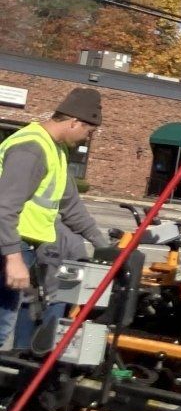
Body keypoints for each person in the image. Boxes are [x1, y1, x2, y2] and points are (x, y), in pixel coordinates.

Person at [1, 89, 115, 350]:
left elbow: (70, 205)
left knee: (14, 316)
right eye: (87, 131)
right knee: (1, 324)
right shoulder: (31, 149)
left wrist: (102, 245)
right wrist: (13, 258)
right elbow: (4, 207)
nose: (86, 138)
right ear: (74, 122)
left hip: (24, 247)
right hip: (8, 246)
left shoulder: (56, 150)